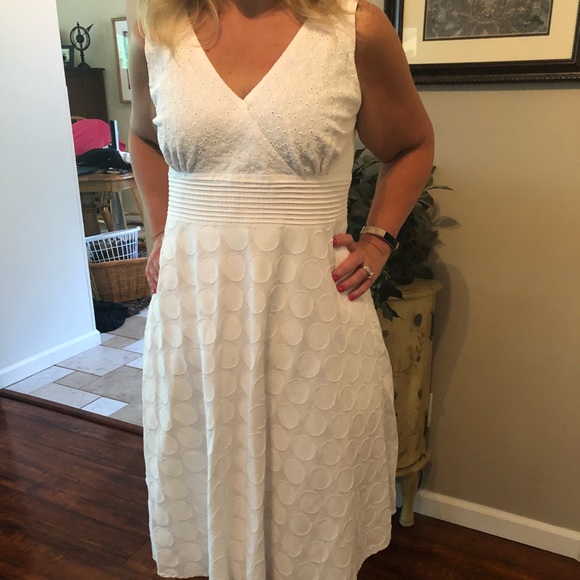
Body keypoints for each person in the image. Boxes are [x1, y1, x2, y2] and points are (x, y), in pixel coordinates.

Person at [129, 0, 434, 578]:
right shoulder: (157, 30)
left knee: (310, 501)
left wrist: (377, 241)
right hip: (197, 317)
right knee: (209, 486)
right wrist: (165, 229)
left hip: (311, 317)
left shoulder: (355, 28)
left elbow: (412, 144)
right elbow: (143, 138)